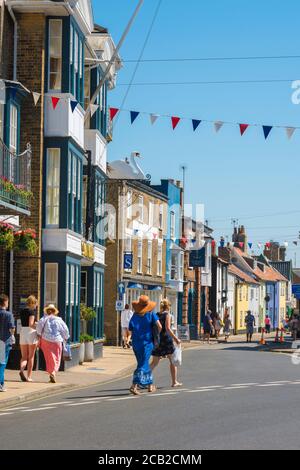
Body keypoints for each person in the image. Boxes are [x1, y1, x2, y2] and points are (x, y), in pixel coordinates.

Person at [127, 295, 162, 396]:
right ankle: (134, 386)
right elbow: (159, 326)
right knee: (143, 365)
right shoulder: (151, 314)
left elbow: (130, 328)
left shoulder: (135, 315)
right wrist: (155, 335)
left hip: (136, 343)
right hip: (147, 343)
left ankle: (150, 385)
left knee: (143, 363)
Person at [151, 299, 182, 388]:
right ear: (168, 306)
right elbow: (168, 328)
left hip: (158, 340)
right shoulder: (167, 315)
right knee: (172, 361)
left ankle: (143, 379)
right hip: (166, 341)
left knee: (154, 362)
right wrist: (176, 339)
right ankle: (174, 382)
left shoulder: (157, 314)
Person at [36, 304, 69, 383]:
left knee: (49, 358)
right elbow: (65, 330)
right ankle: (53, 372)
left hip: (45, 341)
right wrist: (66, 337)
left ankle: (51, 372)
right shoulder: (59, 320)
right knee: (57, 358)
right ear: (54, 312)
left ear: (47, 311)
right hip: (57, 340)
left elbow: (38, 330)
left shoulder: (43, 319)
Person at [19, 295, 38, 382]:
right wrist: (37, 326)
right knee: (31, 356)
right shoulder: (32, 312)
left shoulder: (22, 311)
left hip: (23, 332)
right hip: (30, 333)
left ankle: (21, 370)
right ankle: (29, 377)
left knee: (24, 357)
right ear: (32, 303)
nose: (36, 306)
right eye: (35, 304)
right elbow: (31, 324)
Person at [0, 294, 15, 392]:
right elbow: (12, 328)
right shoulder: (8, 314)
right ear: (5, 302)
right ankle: (1, 384)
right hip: (4, 341)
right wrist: (12, 335)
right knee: (2, 363)